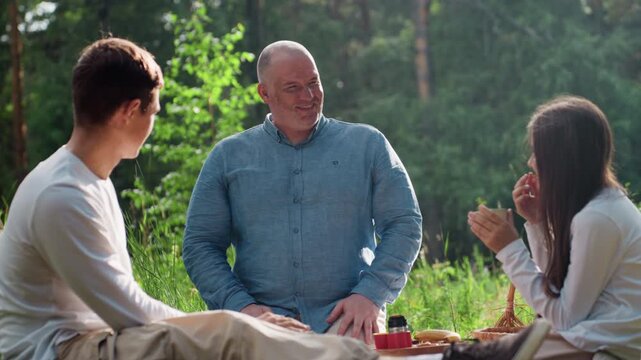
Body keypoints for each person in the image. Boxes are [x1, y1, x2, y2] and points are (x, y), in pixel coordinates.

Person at [0, 37, 383, 360]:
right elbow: (129, 311)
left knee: (229, 331)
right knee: (230, 333)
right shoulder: (62, 195)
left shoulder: (87, 181)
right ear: (131, 111)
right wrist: (237, 323)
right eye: (154, 110)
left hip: (91, 339)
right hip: (57, 350)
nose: (154, 122)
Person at [182, 40, 423, 345]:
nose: (308, 97)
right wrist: (241, 307)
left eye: (313, 83)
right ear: (264, 93)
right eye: (293, 87)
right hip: (261, 324)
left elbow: (405, 223)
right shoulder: (228, 157)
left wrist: (371, 294)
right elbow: (200, 244)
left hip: (349, 319)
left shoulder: (368, 145)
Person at [468, 96, 641, 360]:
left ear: (561, 161)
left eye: (539, 153)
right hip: (594, 344)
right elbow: (558, 294)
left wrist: (509, 249)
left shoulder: (599, 218)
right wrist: (537, 224)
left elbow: (563, 317)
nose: (531, 162)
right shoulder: (604, 208)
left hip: (604, 351)